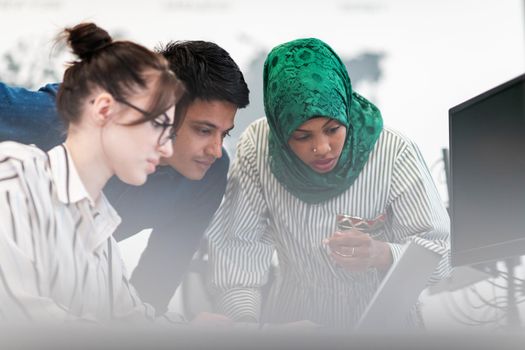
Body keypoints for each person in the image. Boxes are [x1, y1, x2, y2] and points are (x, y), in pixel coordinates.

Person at [206, 38, 450, 329]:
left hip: (384, 324)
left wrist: (381, 254)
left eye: (332, 129)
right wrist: (244, 325)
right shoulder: (257, 149)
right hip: (294, 320)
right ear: (280, 130)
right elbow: (238, 254)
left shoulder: (393, 151)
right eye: (302, 136)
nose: (322, 148)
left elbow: (440, 255)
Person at [0, 40, 250, 315]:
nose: (215, 150)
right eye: (203, 130)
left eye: (224, 134)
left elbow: (152, 287)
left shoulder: (207, 173)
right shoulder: (65, 117)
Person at [0, 22, 184, 323]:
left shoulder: (102, 228)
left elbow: (132, 322)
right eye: (157, 125)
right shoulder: (14, 181)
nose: (167, 150)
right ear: (103, 110)